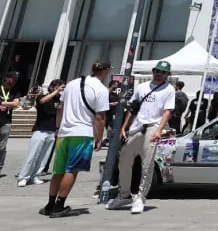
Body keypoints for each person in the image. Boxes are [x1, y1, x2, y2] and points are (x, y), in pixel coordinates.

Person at [43, 61, 111, 218]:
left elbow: (60, 107)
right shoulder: (100, 89)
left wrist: (58, 127)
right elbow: (100, 117)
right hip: (82, 132)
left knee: (58, 170)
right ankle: (59, 206)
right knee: (72, 169)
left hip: (64, 132)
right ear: (106, 70)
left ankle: (50, 204)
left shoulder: (72, 83)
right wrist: (99, 137)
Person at [107, 61, 176, 214]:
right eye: (158, 71)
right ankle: (124, 194)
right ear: (153, 71)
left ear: (167, 75)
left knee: (147, 163)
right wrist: (124, 127)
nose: (160, 74)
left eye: (163, 72)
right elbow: (132, 108)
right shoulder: (142, 87)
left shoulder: (169, 89)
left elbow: (167, 111)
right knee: (124, 160)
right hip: (136, 126)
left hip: (153, 126)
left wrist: (159, 130)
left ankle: (140, 197)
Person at [16, 79, 63, 187]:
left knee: (44, 157)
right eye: (57, 86)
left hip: (52, 130)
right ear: (51, 87)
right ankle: (23, 177)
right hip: (40, 130)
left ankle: (35, 176)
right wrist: (56, 91)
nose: (59, 89)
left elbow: (61, 111)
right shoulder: (41, 96)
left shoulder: (59, 100)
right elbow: (42, 101)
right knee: (33, 155)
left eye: (60, 87)